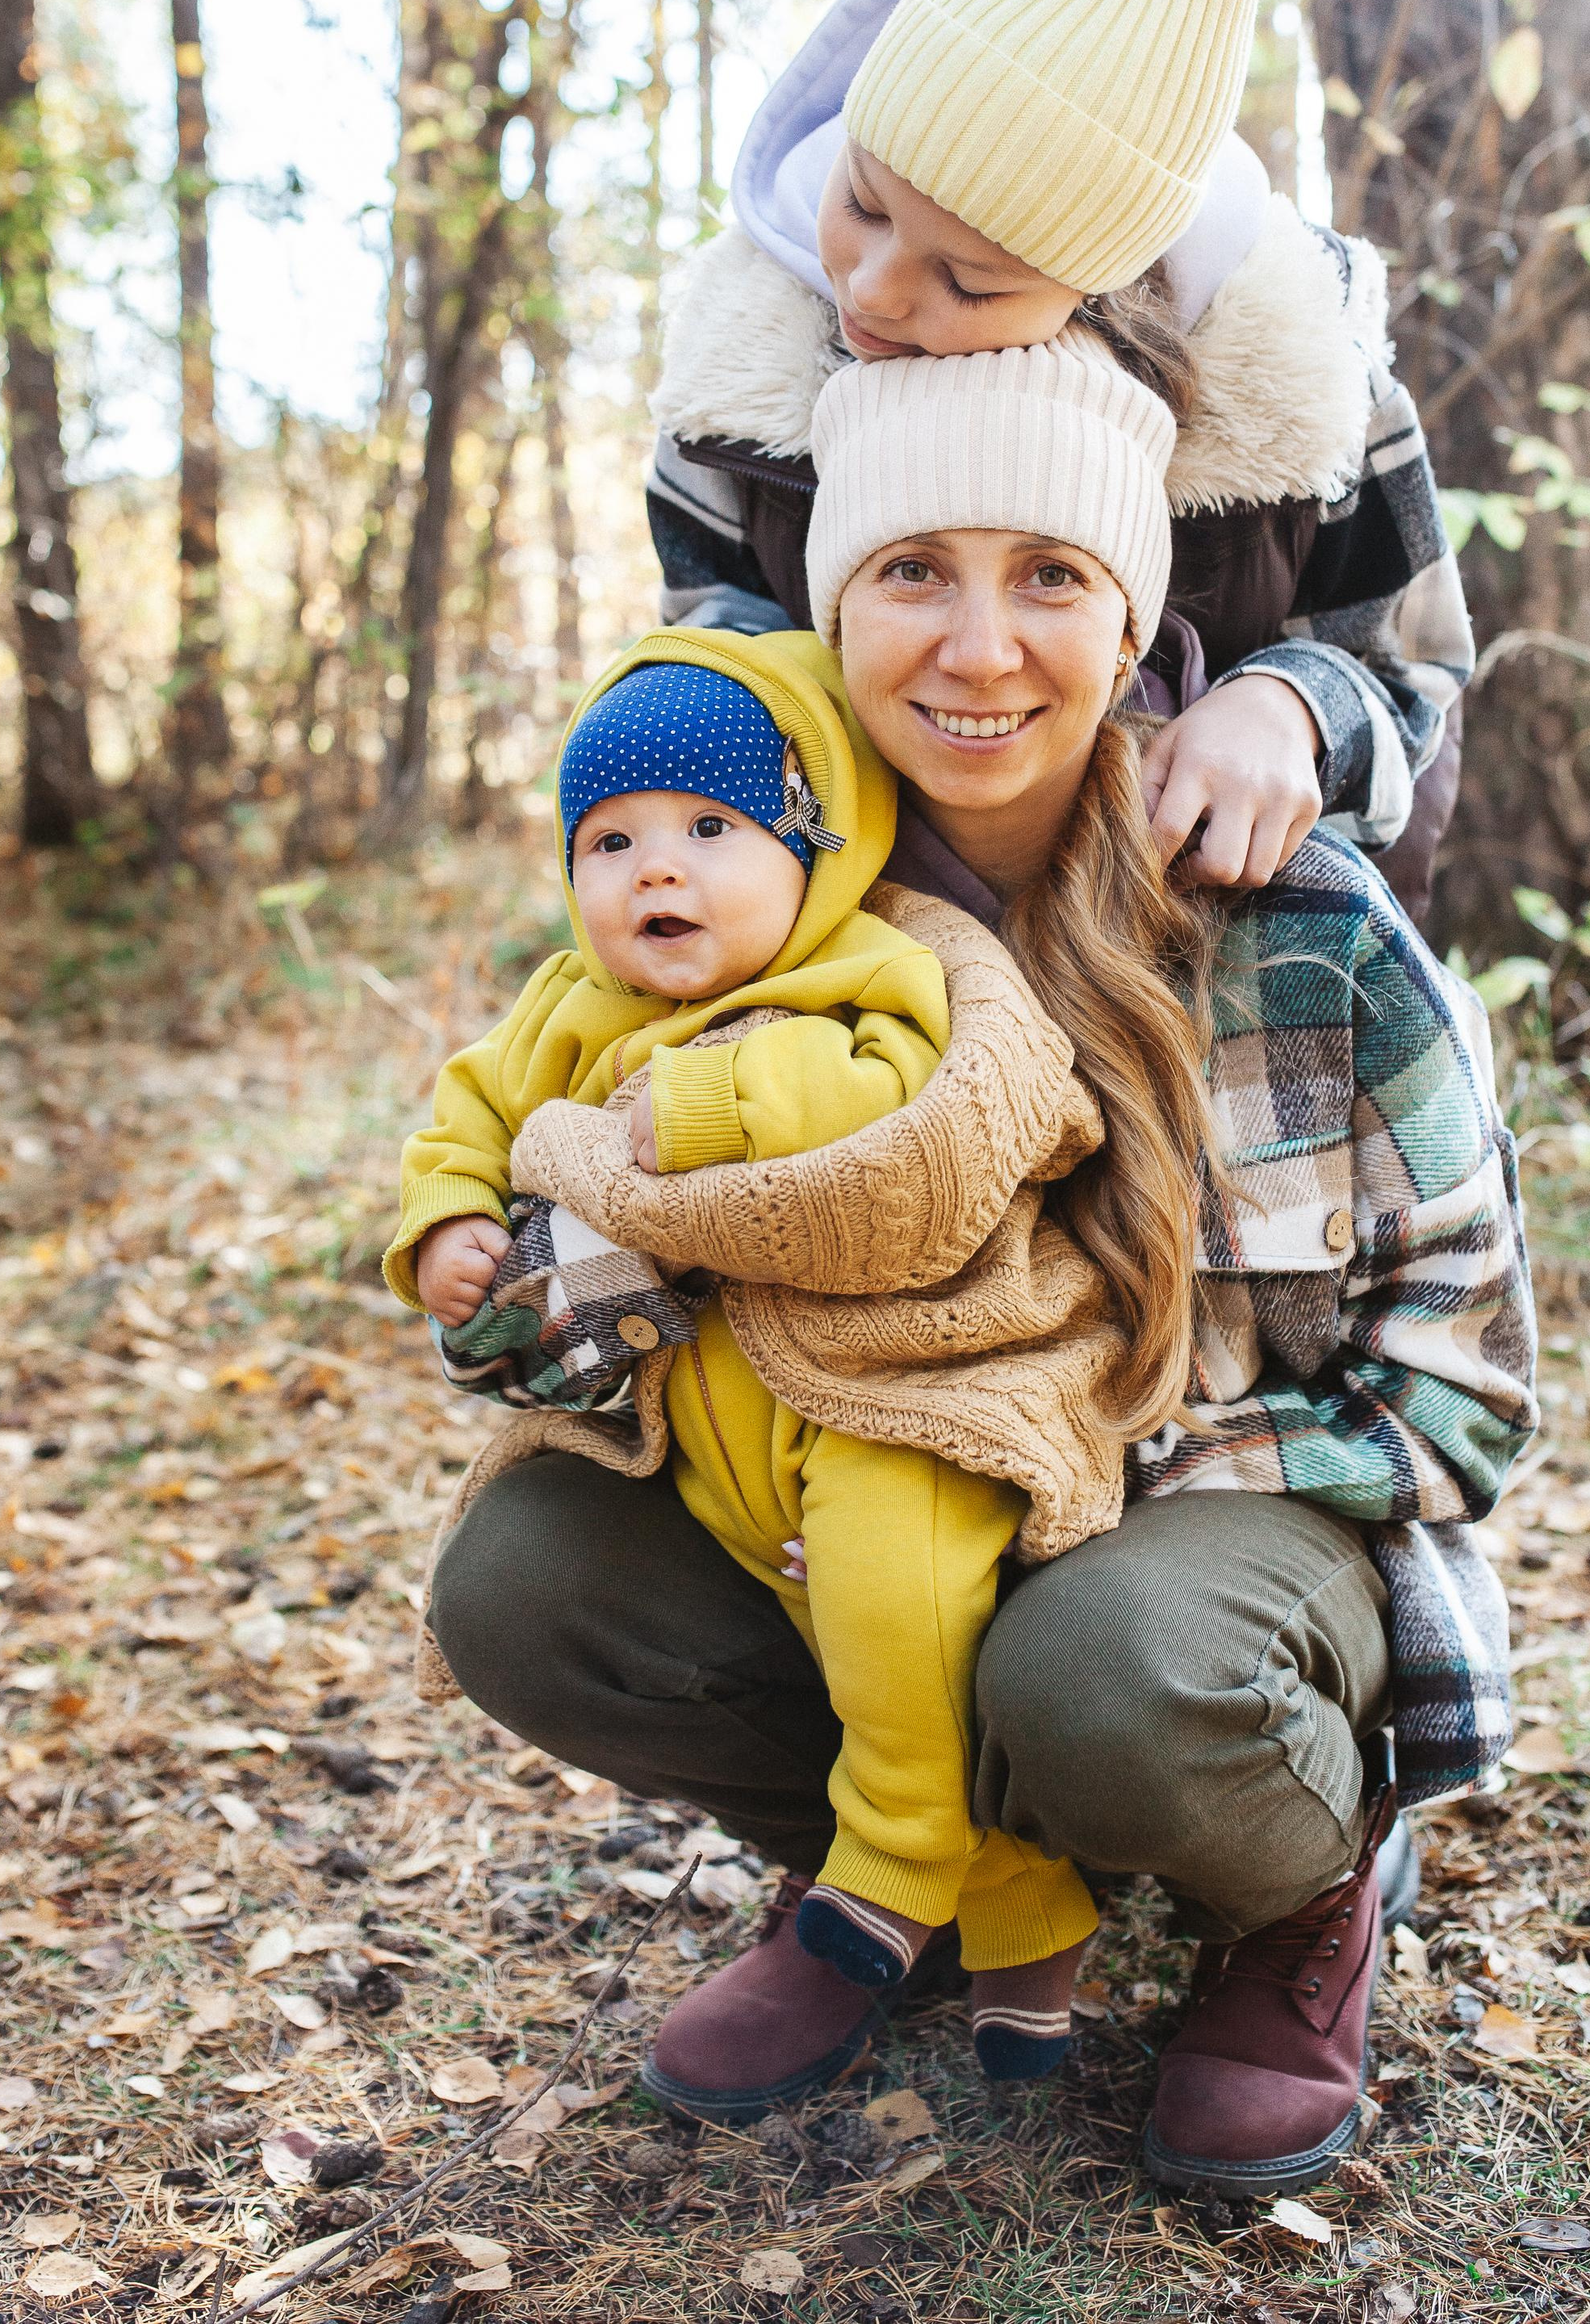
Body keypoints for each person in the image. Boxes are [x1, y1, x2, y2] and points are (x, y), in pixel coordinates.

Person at [426, 341, 1536, 2198]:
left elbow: (1469, 1387)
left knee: (1092, 1658)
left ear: (1129, 622)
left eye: (1048, 575)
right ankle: (914, 1866)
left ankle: (1303, 1889)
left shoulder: (1299, 915)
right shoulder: (748, 906)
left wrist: (1083, 1485)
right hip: (866, 1494)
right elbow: (571, 1303)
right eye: (911, 572)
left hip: (1222, 1521)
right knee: (527, 1577)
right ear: (831, 612)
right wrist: (537, 1266)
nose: (978, 642)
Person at [390, 615, 1165, 2091]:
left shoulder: (868, 970)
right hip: (716, 1439)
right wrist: (445, 1230)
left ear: (814, 847)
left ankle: (885, 1860)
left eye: (707, 827)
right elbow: (467, 1120)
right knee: (858, 1657)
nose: (655, 870)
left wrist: (695, 1111)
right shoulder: (560, 1011)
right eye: (607, 844)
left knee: (890, 1612)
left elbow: (879, 1092)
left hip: (894, 1401)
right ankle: (1025, 1922)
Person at [646, 0, 1473, 919]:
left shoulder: (1307, 384)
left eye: (968, 281)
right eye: (864, 206)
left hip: (1223, 975)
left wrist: (1296, 709)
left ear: (1105, 277)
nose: (875, 293)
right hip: (871, 971)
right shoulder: (739, 385)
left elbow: (1412, 661)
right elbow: (709, 646)